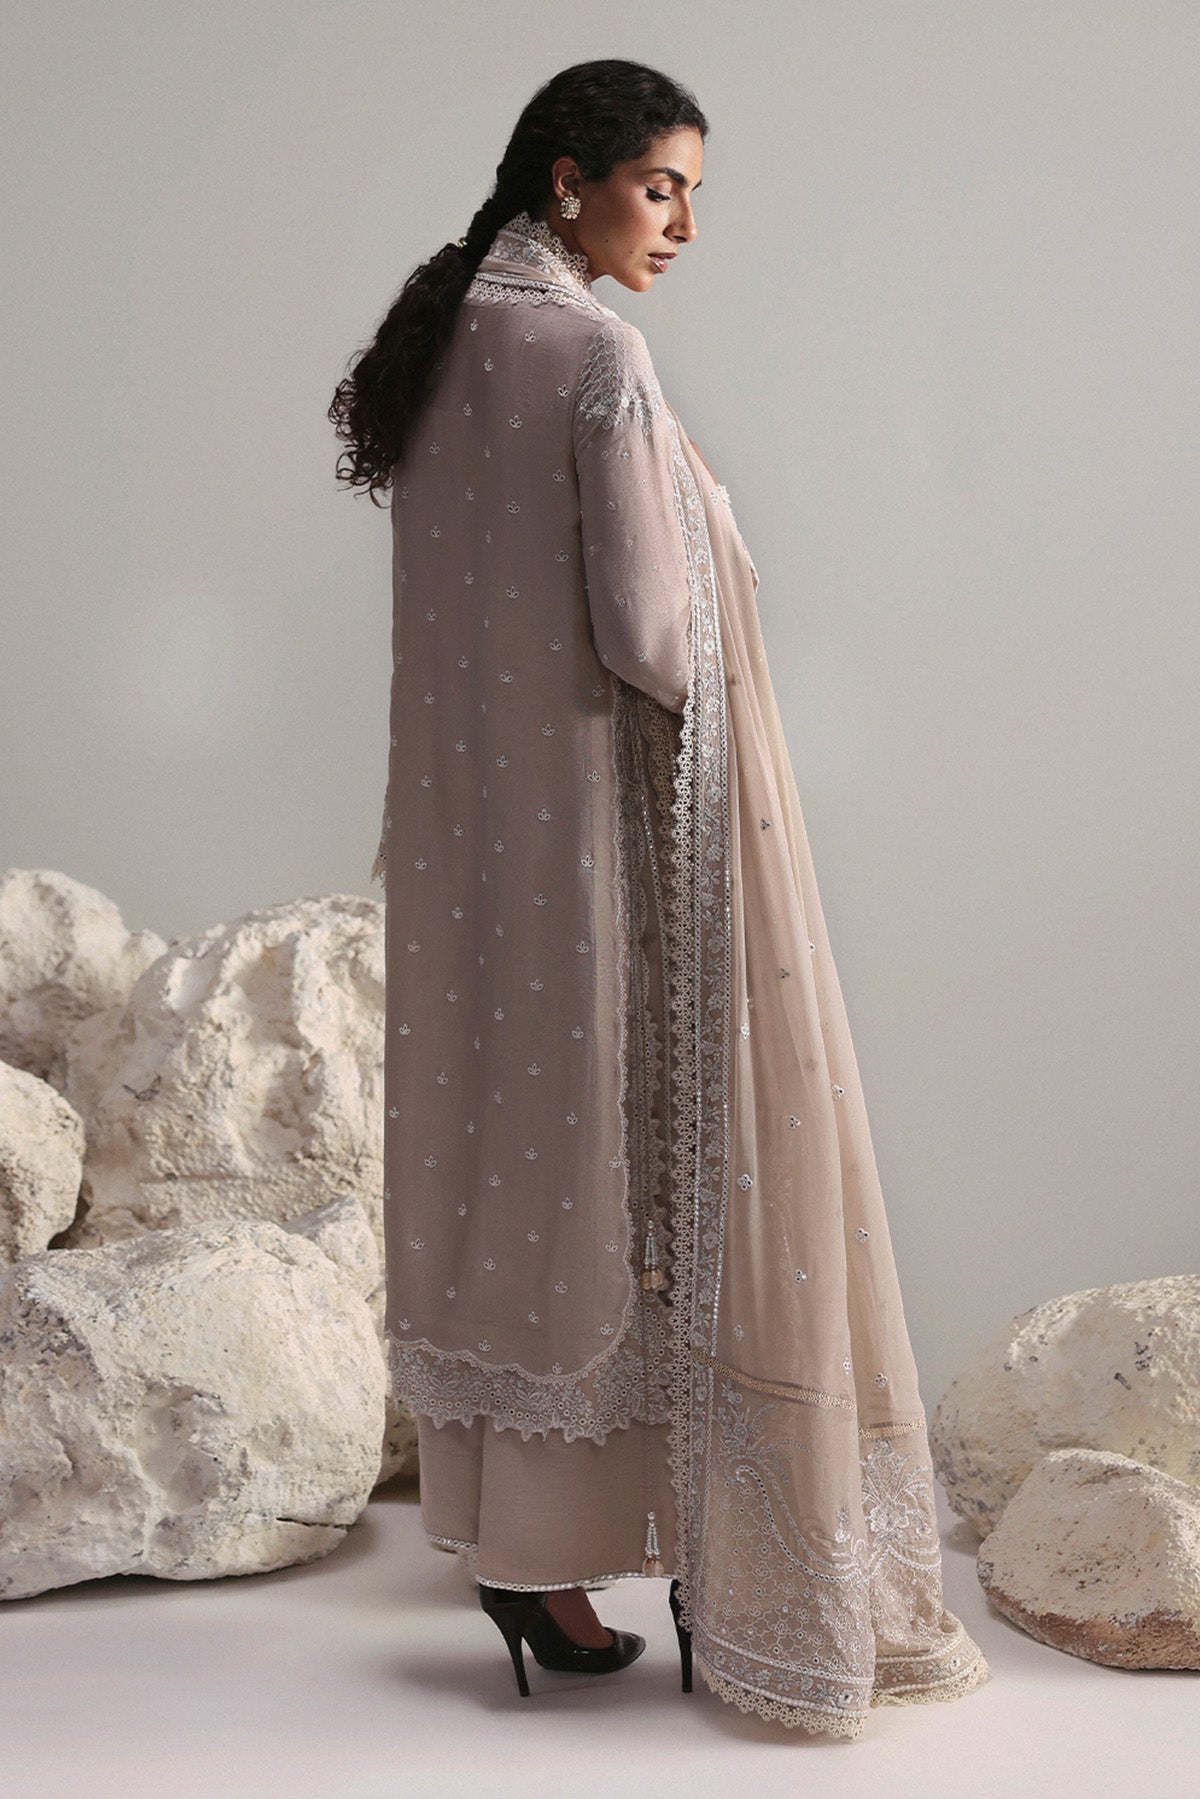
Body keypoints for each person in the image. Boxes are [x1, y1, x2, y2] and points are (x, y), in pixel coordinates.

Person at [329, 56, 990, 1737]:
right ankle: (719, 1552)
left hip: (466, 845)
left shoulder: (441, 341)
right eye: (662, 186)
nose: (684, 224)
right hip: (601, 840)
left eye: (693, 192)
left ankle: (525, 1558)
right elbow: (650, 636)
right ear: (571, 180)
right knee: (652, 1173)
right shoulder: (594, 356)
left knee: (518, 1173)